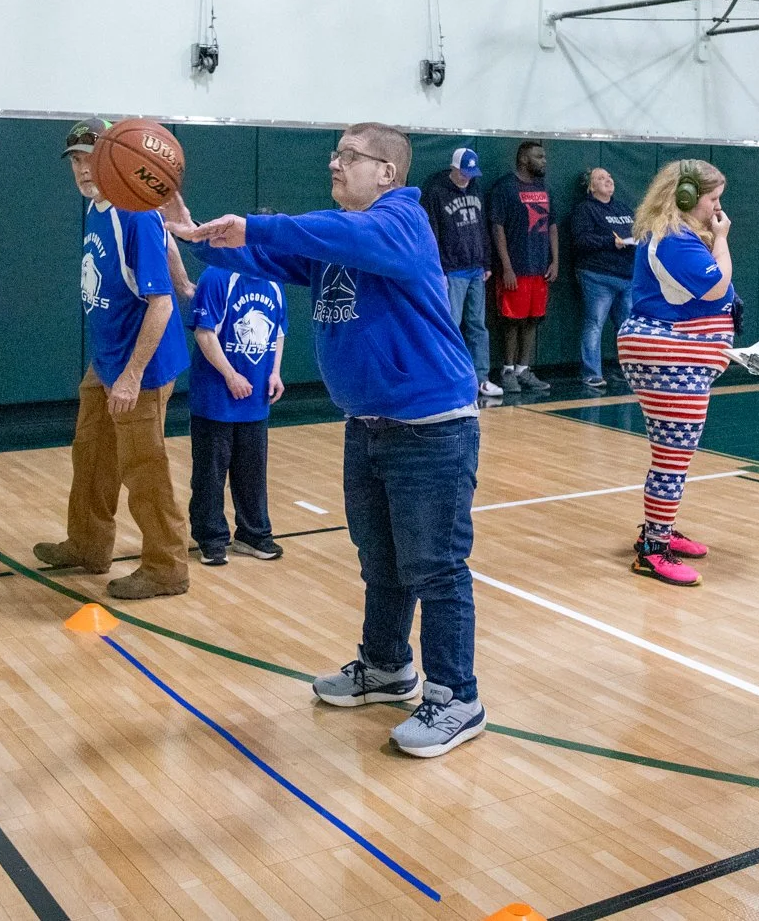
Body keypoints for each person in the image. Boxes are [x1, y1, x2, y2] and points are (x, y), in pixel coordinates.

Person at [167, 123, 486, 758]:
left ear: (387, 172)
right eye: (334, 154)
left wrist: (256, 225)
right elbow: (260, 257)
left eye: (349, 155)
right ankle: (387, 667)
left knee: (434, 566)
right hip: (367, 424)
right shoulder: (340, 237)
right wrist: (197, 233)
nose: (334, 164)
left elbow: (323, 235)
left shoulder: (402, 221)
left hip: (432, 429)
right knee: (381, 560)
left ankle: (458, 697)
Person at [32, 119, 194, 600]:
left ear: (113, 159)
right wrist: (184, 280)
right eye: (75, 161)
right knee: (91, 454)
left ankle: (167, 568)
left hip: (139, 368)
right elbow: (167, 242)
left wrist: (131, 375)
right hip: (107, 359)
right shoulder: (99, 205)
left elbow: (160, 306)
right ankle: (88, 544)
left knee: (145, 470)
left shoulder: (133, 214)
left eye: (91, 158)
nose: (83, 169)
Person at [616, 160, 734, 586]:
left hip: (673, 355)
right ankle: (653, 550)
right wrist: (722, 239)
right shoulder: (675, 240)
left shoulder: (672, 234)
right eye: (713, 199)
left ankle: (658, 529)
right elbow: (718, 285)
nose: (717, 208)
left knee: (671, 454)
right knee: (673, 457)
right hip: (670, 356)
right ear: (685, 196)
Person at [185, 261, 287, 565]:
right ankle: (211, 539)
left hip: (255, 400)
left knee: (253, 473)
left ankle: (253, 535)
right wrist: (230, 375)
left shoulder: (273, 279)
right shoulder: (217, 276)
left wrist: (275, 372)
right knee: (210, 474)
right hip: (215, 400)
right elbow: (204, 333)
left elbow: (278, 332)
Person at [421, 147, 503, 399]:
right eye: (463, 172)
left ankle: (481, 378)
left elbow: (482, 228)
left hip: (476, 268)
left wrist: (486, 263)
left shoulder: (476, 188)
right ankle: (446, 378)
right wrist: (439, 269)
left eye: (471, 173)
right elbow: (431, 233)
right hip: (452, 270)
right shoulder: (436, 191)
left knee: (478, 326)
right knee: (451, 324)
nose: (467, 177)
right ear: (453, 167)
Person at [489, 140, 557, 392]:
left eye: (544, 156)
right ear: (523, 159)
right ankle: (507, 370)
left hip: (539, 267)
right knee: (511, 321)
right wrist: (506, 267)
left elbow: (552, 225)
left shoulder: (544, 188)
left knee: (532, 319)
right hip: (515, 268)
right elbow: (497, 228)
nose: (544, 161)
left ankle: (523, 369)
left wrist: (555, 260)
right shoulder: (505, 187)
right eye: (539, 156)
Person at [570, 167, 637, 389]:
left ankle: (628, 371)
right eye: (601, 178)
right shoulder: (585, 210)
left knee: (627, 327)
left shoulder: (623, 208)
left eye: (609, 176)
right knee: (594, 324)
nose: (608, 180)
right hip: (598, 276)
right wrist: (610, 242)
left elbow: (636, 231)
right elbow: (581, 240)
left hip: (626, 276)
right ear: (591, 187)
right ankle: (592, 373)